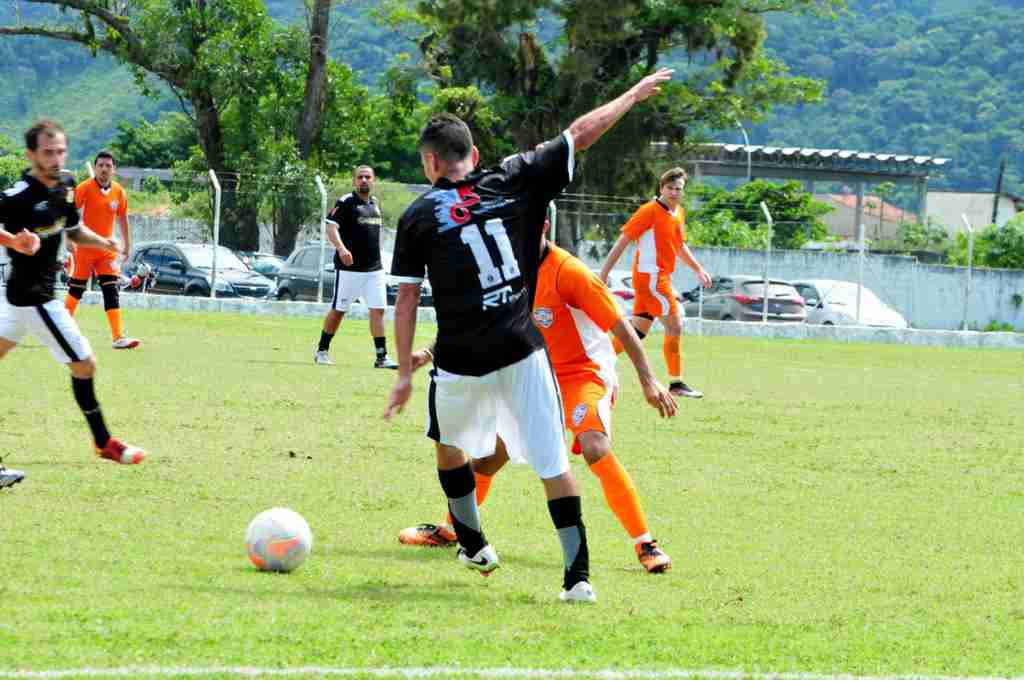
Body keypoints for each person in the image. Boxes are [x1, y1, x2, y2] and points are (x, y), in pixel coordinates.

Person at [384, 68, 675, 603]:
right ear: (472, 152)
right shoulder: (515, 177)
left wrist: (404, 371)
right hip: (523, 354)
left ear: (430, 162)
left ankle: (473, 540)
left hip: (467, 362)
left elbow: (404, 299)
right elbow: (579, 133)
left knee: (449, 446)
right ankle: (577, 578)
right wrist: (631, 95)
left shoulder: (420, 214)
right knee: (551, 464)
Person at [399, 216, 679, 574]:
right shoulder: (503, 273)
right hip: (532, 375)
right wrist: (428, 352)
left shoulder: (570, 272)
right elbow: (474, 325)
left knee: (594, 447)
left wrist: (649, 380)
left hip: (583, 374)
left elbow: (621, 326)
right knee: (487, 459)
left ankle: (645, 543)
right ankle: (453, 529)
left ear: (543, 224)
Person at [0, 119, 147, 484]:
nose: (55, 158)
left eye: (60, 151)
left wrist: (104, 240)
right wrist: (13, 241)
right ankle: (103, 442)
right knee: (85, 364)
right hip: (35, 299)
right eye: (47, 152)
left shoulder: (66, 184)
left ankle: (101, 442)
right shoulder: (18, 196)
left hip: (20, 300)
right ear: (31, 154)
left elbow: (72, 228)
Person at [599, 167, 712, 399]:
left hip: (657, 279)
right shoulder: (649, 211)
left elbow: (679, 246)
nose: (673, 192)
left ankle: (595, 361)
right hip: (652, 279)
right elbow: (623, 240)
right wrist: (603, 273)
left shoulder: (678, 212)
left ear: (683, 191)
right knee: (675, 325)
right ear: (661, 188)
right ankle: (676, 383)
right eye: (669, 188)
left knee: (637, 332)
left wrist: (698, 269)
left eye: (678, 189)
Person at [314, 165, 397, 369]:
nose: (364, 180)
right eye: (360, 177)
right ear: (354, 181)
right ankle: (322, 351)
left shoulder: (375, 204)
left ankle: (381, 357)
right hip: (349, 270)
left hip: (374, 269)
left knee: (378, 310)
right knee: (339, 310)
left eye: (368, 177)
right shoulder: (346, 202)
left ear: (373, 180)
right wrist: (341, 249)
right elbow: (331, 228)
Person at [63, 150, 139, 350]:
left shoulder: (119, 192)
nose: (104, 169)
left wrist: (127, 245)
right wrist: (67, 237)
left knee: (111, 290)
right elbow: (69, 213)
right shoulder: (84, 188)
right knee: (76, 290)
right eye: (101, 165)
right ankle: (60, 330)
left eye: (108, 166)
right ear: (95, 168)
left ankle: (118, 337)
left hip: (107, 250)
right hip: (85, 249)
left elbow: (123, 218)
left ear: (114, 169)